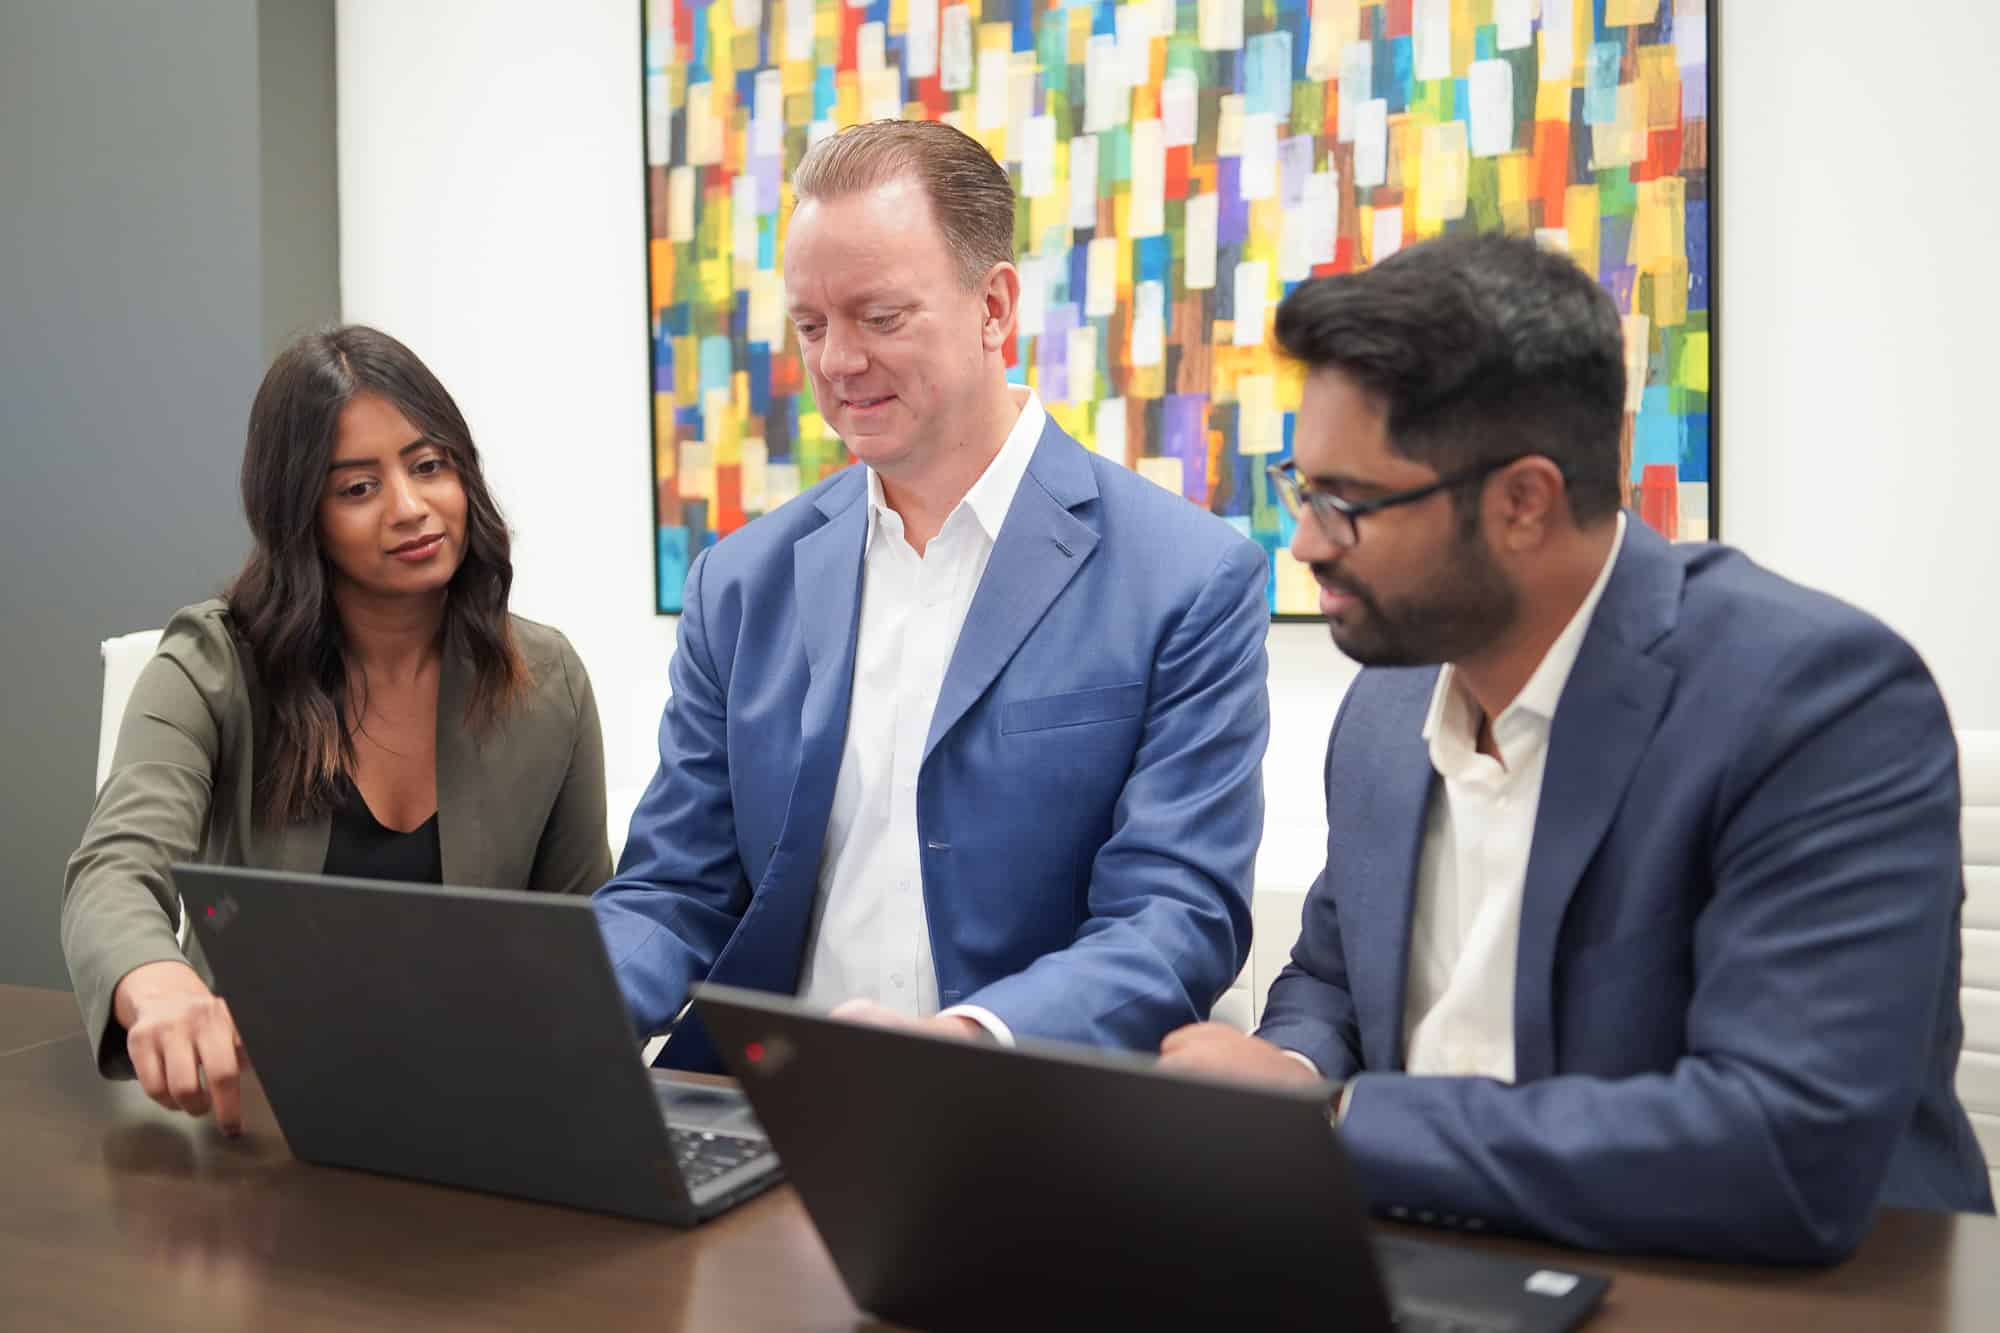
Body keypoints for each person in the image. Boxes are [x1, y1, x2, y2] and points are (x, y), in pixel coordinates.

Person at [1156, 232, 1993, 1262]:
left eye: (1348, 504)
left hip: (1743, 1291)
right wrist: (1285, 1069)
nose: (1307, 542)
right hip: (1436, 1262)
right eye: (1301, 485)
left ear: (1521, 502)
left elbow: (1778, 1147)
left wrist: (1335, 1120)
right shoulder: (1386, 708)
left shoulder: (1813, 703)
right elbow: (1331, 976)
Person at [594, 119, 1269, 1070]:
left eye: (879, 317)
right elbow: (675, 890)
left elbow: (1173, 919)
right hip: (768, 1118)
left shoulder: (1187, 578)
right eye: (812, 324)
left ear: (994, 307)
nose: (836, 363)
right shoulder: (740, 583)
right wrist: (553, 1009)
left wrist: (962, 1043)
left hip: (1027, 1125)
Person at [63, 325, 613, 1134]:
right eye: (358, 488)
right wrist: (158, 979)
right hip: (255, 1125)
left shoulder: (547, 679)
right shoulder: (212, 665)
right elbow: (111, 868)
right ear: (300, 516)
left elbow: (584, 939)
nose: (411, 507)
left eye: (429, 465)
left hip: (477, 1129)